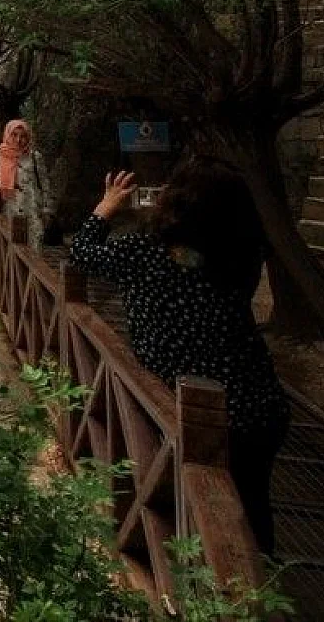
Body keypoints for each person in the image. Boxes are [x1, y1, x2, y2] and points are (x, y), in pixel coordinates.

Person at [69, 160, 290, 556]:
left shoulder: (143, 252)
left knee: (187, 515)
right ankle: (256, 591)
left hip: (181, 409)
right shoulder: (241, 257)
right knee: (252, 513)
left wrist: (107, 206)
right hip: (256, 407)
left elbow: (82, 254)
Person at [0, 119, 50, 245]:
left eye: (23, 136)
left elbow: (45, 184)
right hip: (8, 208)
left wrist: (47, 210)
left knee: (34, 248)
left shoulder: (35, 156)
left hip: (32, 210)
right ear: (7, 134)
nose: (18, 140)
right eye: (14, 135)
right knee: (10, 247)